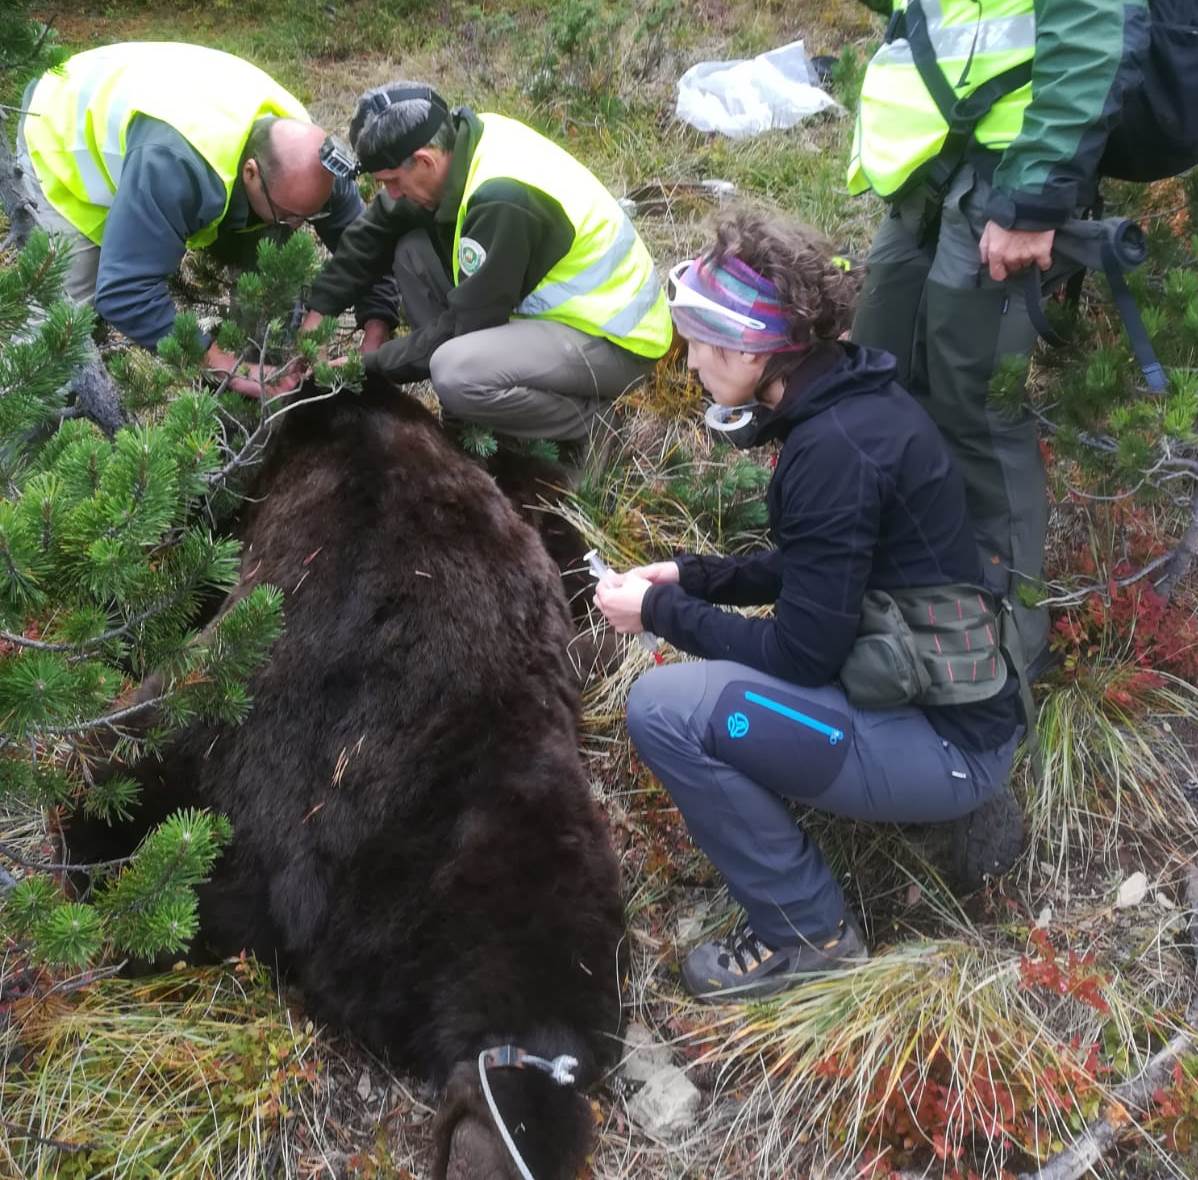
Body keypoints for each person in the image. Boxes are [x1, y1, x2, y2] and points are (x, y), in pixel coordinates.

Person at [594, 208, 1025, 1002]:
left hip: (948, 748)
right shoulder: (851, 403)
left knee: (662, 707)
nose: (688, 364)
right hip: (955, 708)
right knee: (700, 689)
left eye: (697, 343)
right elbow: (822, 568)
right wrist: (692, 578)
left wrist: (656, 616)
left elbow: (803, 656)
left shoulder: (833, 449)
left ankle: (806, 933)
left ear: (755, 347)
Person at [847, 0, 1150, 673]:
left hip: (1006, 173)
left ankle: (1010, 651)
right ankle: (889, 588)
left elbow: (1091, 26)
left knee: (975, 410)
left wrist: (1036, 197)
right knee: (874, 379)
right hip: (927, 167)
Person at [16, 41, 397, 401]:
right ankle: (25, 451)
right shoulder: (174, 168)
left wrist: (374, 341)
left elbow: (367, 251)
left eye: (308, 215)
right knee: (59, 328)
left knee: (272, 269)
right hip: (62, 131)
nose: (299, 226)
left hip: (170, 119)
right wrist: (224, 366)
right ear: (251, 173)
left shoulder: (310, 165)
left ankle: (258, 397)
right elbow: (124, 291)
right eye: (291, 215)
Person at [300, 81, 673, 443]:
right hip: (549, 316)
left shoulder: (499, 198)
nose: (391, 194)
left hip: (615, 341)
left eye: (393, 181)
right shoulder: (463, 139)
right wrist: (319, 312)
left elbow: (466, 326)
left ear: (425, 160)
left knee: (455, 371)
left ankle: (593, 426)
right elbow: (377, 227)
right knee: (411, 253)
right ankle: (475, 415)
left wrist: (367, 367)